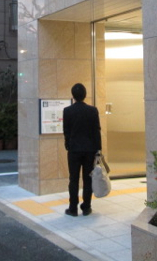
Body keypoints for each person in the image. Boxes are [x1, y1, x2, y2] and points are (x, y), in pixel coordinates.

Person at [63, 83, 102, 217]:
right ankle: (86, 207)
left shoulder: (67, 111)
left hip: (74, 150)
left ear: (73, 96)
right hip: (89, 150)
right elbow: (97, 131)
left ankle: (73, 208)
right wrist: (98, 149)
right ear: (85, 95)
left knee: (73, 179)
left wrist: (68, 145)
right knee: (88, 179)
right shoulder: (93, 110)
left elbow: (66, 131)